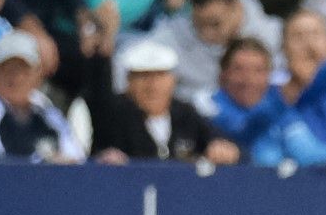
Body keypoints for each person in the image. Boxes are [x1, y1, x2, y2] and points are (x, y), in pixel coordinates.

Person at [252, 9, 326, 167]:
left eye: (315, 35)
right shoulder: (272, 98)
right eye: (298, 36)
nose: (309, 45)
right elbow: (298, 153)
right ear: (283, 49)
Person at [94, 37, 238, 162]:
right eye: (144, 76)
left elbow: (225, 145)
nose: (153, 86)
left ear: (173, 80)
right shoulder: (112, 117)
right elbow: (92, 154)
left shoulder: (186, 115)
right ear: (129, 82)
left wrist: (224, 149)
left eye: (160, 76)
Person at [0, 29, 85, 162]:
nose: (16, 78)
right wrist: (45, 165)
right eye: (7, 69)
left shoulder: (46, 110)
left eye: (24, 69)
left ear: (37, 74)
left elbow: (75, 160)